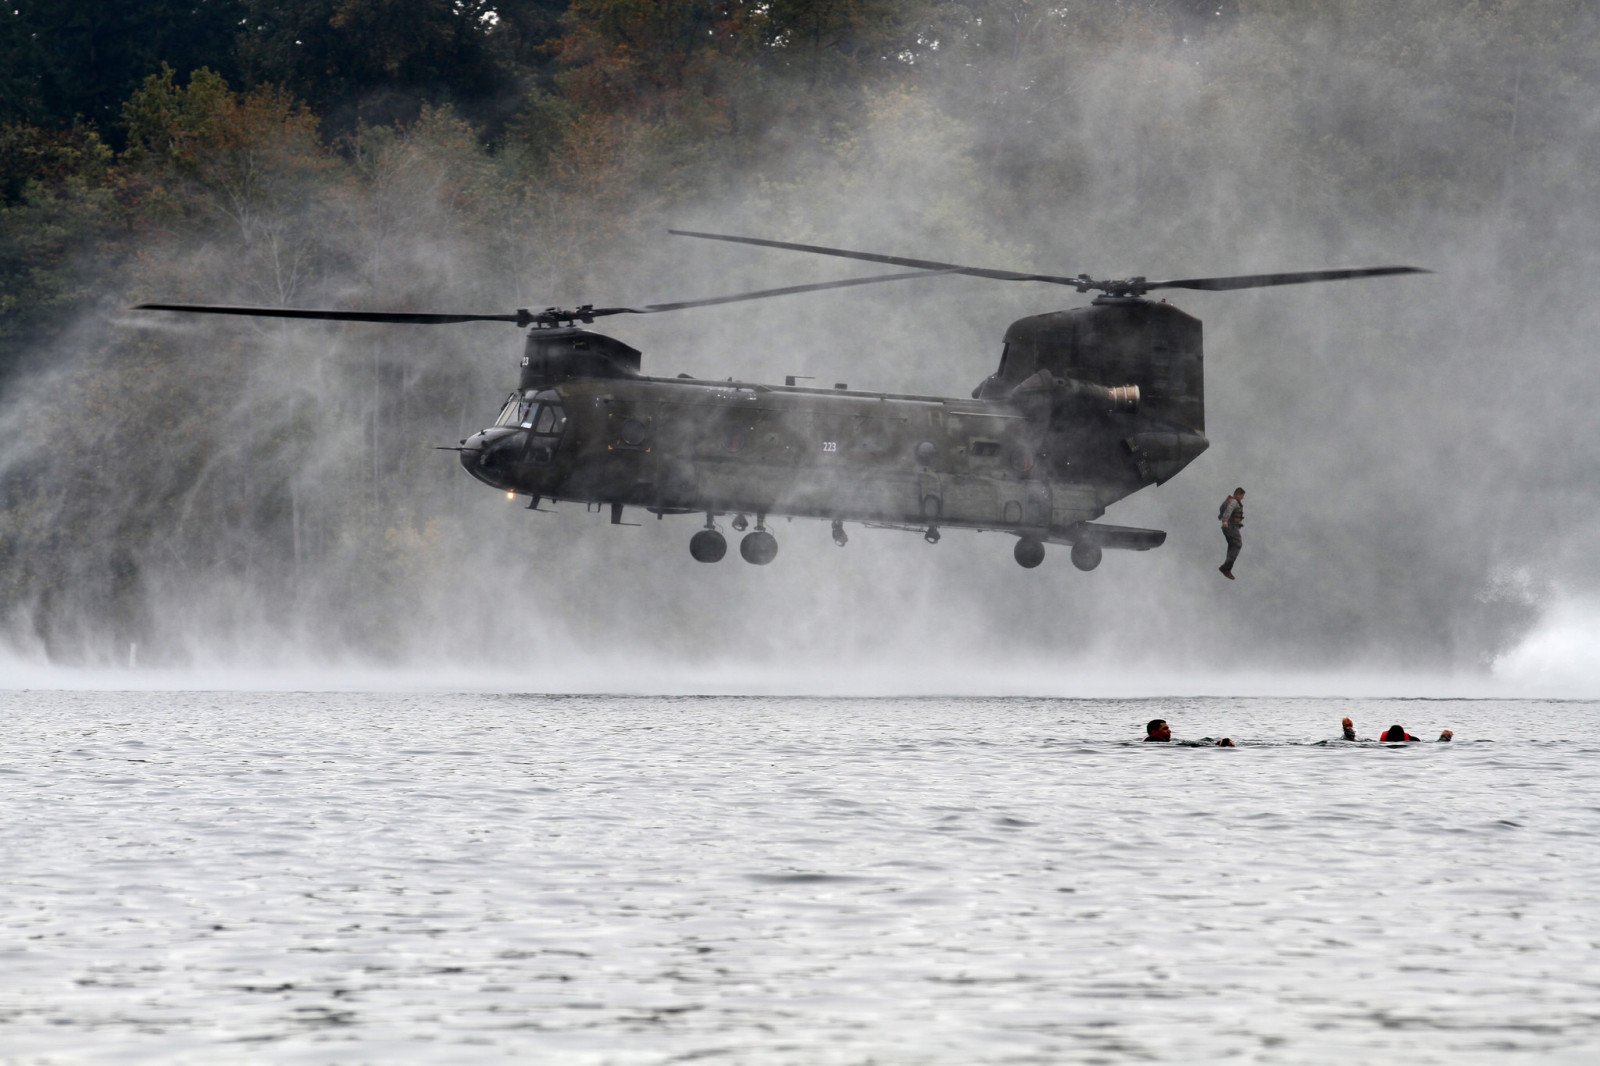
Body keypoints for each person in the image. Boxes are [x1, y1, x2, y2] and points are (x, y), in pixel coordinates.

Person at [1218, 487, 1245, 579]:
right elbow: (1229, 510)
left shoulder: (1229, 500)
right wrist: (1225, 520)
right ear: (1238, 494)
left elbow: (1222, 508)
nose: (1243, 498)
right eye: (1242, 496)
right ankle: (1226, 568)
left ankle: (1226, 566)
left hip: (1229, 526)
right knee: (1237, 544)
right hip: (1231, 526)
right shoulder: (1234, 502)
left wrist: (1221, 515)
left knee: (1232, 545)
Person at [1144, 719, 1232, 746]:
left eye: (1168, 728)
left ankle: (1216, 743)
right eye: (1165, 729)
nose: (1169, 731)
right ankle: (1218, 744)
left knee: (1206, 739)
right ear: (1154, 731)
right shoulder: (1152, 740)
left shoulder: (1161, 741)